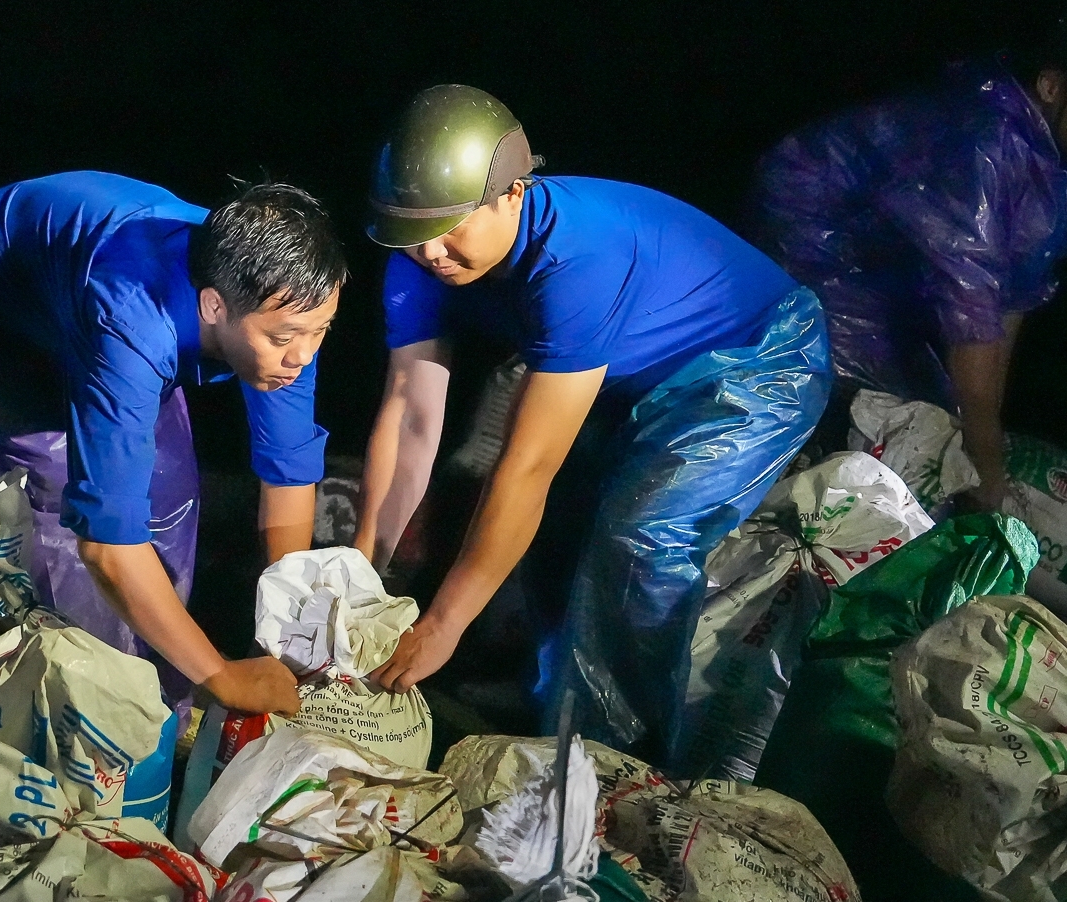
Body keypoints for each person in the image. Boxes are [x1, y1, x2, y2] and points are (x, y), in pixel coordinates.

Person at [355, 85, 829, 766]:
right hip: (624, 368)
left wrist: (442, 624)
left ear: (513, 194)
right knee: (557, 529)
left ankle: (623, 761)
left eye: (451, 227)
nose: (431, 252)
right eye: (412, 231)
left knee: (639, 536)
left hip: (756, 357)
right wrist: (364, 574)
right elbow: (408, 415)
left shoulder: (576, 259)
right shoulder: (416, 262)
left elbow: (528, 469)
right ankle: (559, 708)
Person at [0, 172, 344, 714]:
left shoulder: (292, 307)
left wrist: (287, 629)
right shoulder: (135, 323)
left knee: (168, 486)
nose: (302, 357)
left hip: (84, 293)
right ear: (213, 306)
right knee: (64, 503)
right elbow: (106, 543)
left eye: (320, 331)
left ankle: (164, 698)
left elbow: (288, 469)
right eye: (283, 340)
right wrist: (224, 676)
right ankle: (90, 716)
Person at [749, 46, 1067, 508]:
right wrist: (987, 467)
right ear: (1052, 86)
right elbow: (970, 304)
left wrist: (984, 438)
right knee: (875, 421)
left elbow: (1013, 296)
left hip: (891, 276)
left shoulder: (1054, 169)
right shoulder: (982, 135)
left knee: (943, 428)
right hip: (819, 248)